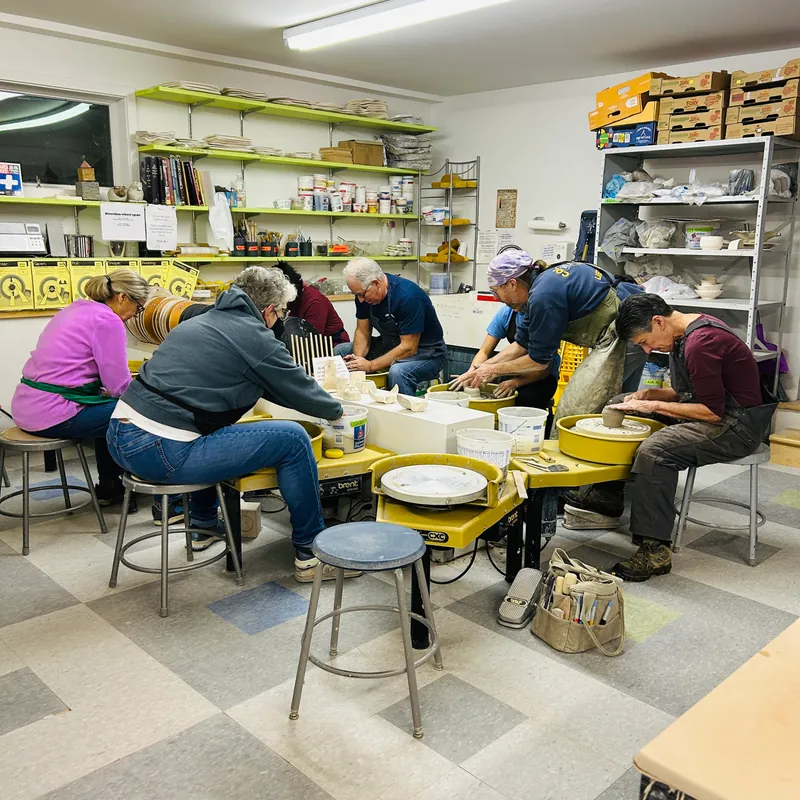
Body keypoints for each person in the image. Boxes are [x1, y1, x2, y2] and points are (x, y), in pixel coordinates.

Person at [106, 267, 354, 582]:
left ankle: (204, 525)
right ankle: (311, 553)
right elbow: (297, 388)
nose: (279, 319)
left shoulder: (201, 321)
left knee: (211, 428)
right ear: (267, 310)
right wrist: (337, 412)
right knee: (292, 439)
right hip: (159, 451)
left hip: (118, 436)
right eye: (279, 312)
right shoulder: (254, 336)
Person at [604, 294, 776, 582]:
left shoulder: (701, 342)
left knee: (655, 451)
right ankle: (605, 499)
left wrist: (654, 406)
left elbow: (711, 410)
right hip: (717, 411)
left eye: (645, 341)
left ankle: (655, 551)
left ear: (658, 321)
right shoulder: (681, 334)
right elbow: (690, 393)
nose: (647, 350)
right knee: (618, 403)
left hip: (738, 425)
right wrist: (650, 395)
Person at [11, 269, 150, 507]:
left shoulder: (75, 308)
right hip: (52, 413)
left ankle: (110, 486)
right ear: (123, 297)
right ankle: (134, 485)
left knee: (107, 412)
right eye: (139, 307)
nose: (136, 314)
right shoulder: (109, 321)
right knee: (132, 411)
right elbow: (119, 387)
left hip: (26, 406)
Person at [453, 250, 644, 417]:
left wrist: (492, 370)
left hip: (631, 332)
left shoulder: (544, 295)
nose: (496, 298)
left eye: (496, 291)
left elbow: (539, 361)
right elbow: (521, 346)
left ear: (512, 284)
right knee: (619, 403)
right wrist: (479, 368)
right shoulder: (538, 287)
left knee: (579, 410)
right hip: (624, 328)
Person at [335, 258, 446, 395]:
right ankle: (356, 400)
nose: (360, 300)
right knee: (341, 351)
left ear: (376, 283)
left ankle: (403, 414)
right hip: (390, 344)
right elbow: (363, 332)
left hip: (426, 353)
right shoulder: (364, 295)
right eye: (356, 295)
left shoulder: (408, 296)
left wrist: (370, 366)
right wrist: (357, 362)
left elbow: (408, 348)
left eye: (362, 294)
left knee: (399, 372)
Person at [469, 302, 562, 405]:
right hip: (510, 370)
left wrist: (515, 382)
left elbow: (542, 369)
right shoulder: (507, 313)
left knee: (523, 398)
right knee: (484, 387)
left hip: (542, 375)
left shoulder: (543, 314)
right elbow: (484, 351)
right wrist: (471, 374)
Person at [276, 260, 350, 346]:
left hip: (332, 345)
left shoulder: (315, 302)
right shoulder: (286, 300)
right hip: (303, 343)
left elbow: (311, 338)